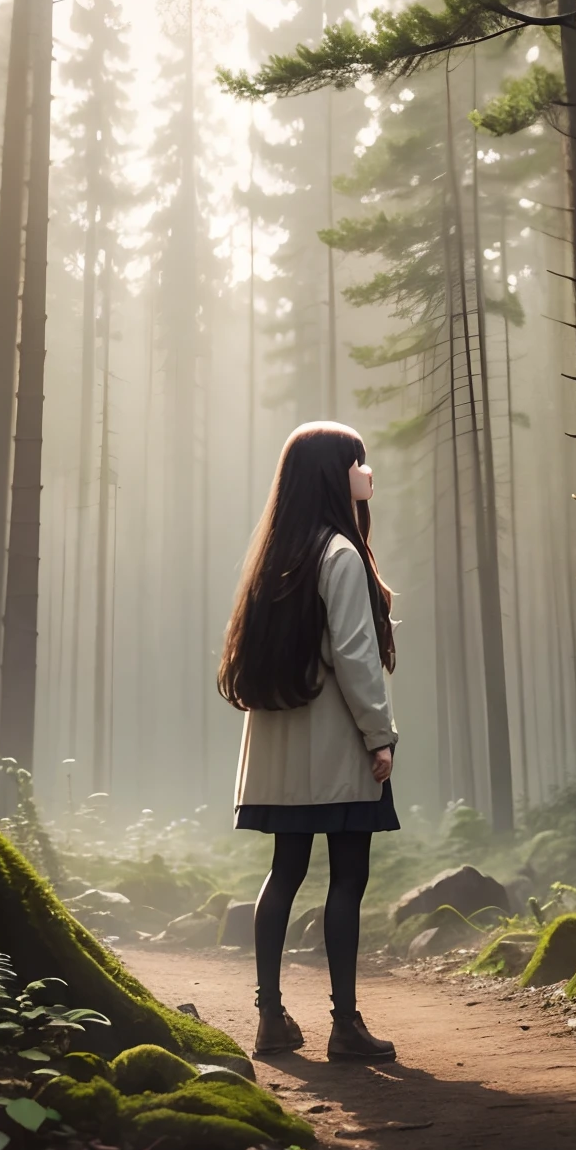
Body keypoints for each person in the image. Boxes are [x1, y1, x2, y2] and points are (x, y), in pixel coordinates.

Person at [218, 421, 400, 1062]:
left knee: (284, 873)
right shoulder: (341, 556)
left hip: (278, 757)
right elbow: (355, 657)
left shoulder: (279, 557)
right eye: (359, 461)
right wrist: (381, 737)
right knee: (347, 877)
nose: (368, 473)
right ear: (334, 473)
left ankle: (270, 1018)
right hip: (336, 752)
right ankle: (345, 1026)